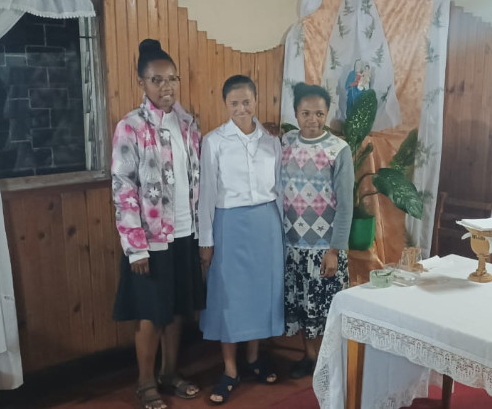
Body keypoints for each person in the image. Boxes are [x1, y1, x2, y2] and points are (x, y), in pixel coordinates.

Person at [111, 39, 205, 409]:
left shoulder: (188, 124)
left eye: (172, 79)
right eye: (157, 80)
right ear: (142, 83)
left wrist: (201, 234)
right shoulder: (131, 127)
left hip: (184, 232)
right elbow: (123, 188)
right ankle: (145, 382)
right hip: (150, 240)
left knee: (178, 309)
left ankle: (169, 372)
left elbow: (197, 179)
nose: (166, 86)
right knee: (151, 313)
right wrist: (135, 247)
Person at [198, 75, 284, 404]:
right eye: (234, 103)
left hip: (266, 224)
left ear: (256, 100)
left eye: (246, 102)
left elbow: (279, 187)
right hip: (229, 224)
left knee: (260, 294)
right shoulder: (214, 142)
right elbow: (207, 194)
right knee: (229, 297)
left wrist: (283, 232)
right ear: (225, 104)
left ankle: (254, 358)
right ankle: (230, 369)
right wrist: (206, 240)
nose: (241, 108)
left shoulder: (271, 140)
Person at [281, 83, 354, 378]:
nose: (313, 119)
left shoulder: (339, 149)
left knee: (325, 308)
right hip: (292, 244)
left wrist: (335, 249)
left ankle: (328, 363)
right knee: (301, 305)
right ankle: (309, 357)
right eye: (306, 113)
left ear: (327, 114)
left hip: (324, 248)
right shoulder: (286, 143)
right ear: (296, 114)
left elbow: (346, 205)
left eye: (319, 114)